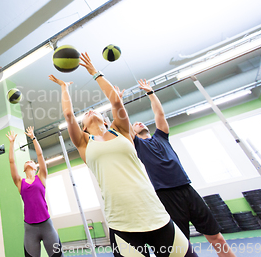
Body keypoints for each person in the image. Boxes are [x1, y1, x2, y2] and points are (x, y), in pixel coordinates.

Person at [49, 52, 197, 257]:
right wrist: (65, 88)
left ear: (107, 120)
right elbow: (67, 115)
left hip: (155, 214)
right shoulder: (84, 143)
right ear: (82, 128)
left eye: (95, 111)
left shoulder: (122, 132)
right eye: (85, 115)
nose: (90, 111)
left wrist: (94, 73)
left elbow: (116, 102)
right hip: (122, 222)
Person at [131, 79, 236, 257]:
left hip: (187, 189)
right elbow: (122, 123)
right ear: (132, 133)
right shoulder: (137, 145)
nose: (139, 123)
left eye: (141, 122)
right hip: (166, 195)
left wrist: (151, 93)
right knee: (180, 247)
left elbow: (159, 114)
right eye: (135, 124)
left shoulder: (161, 137)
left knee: (216, 237)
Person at [7, 127, 64, 257]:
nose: (28, 161)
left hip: (47, 225)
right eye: (26, 162)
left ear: (35, 166)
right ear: (23, 169)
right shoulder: (19, 182)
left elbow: (40, 155)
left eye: (31, 161)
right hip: (30, 229)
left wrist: (33, 137)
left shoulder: (41, 177)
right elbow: (11, 161)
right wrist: (11, 143)